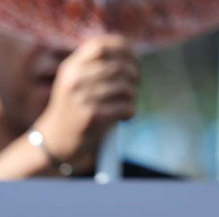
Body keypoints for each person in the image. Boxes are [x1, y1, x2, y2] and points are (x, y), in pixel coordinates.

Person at [0, 32, 158, 179]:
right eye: (31, 20)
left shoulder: (160, 200)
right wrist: (50, 146)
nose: (60, 46)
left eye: (82, 19)